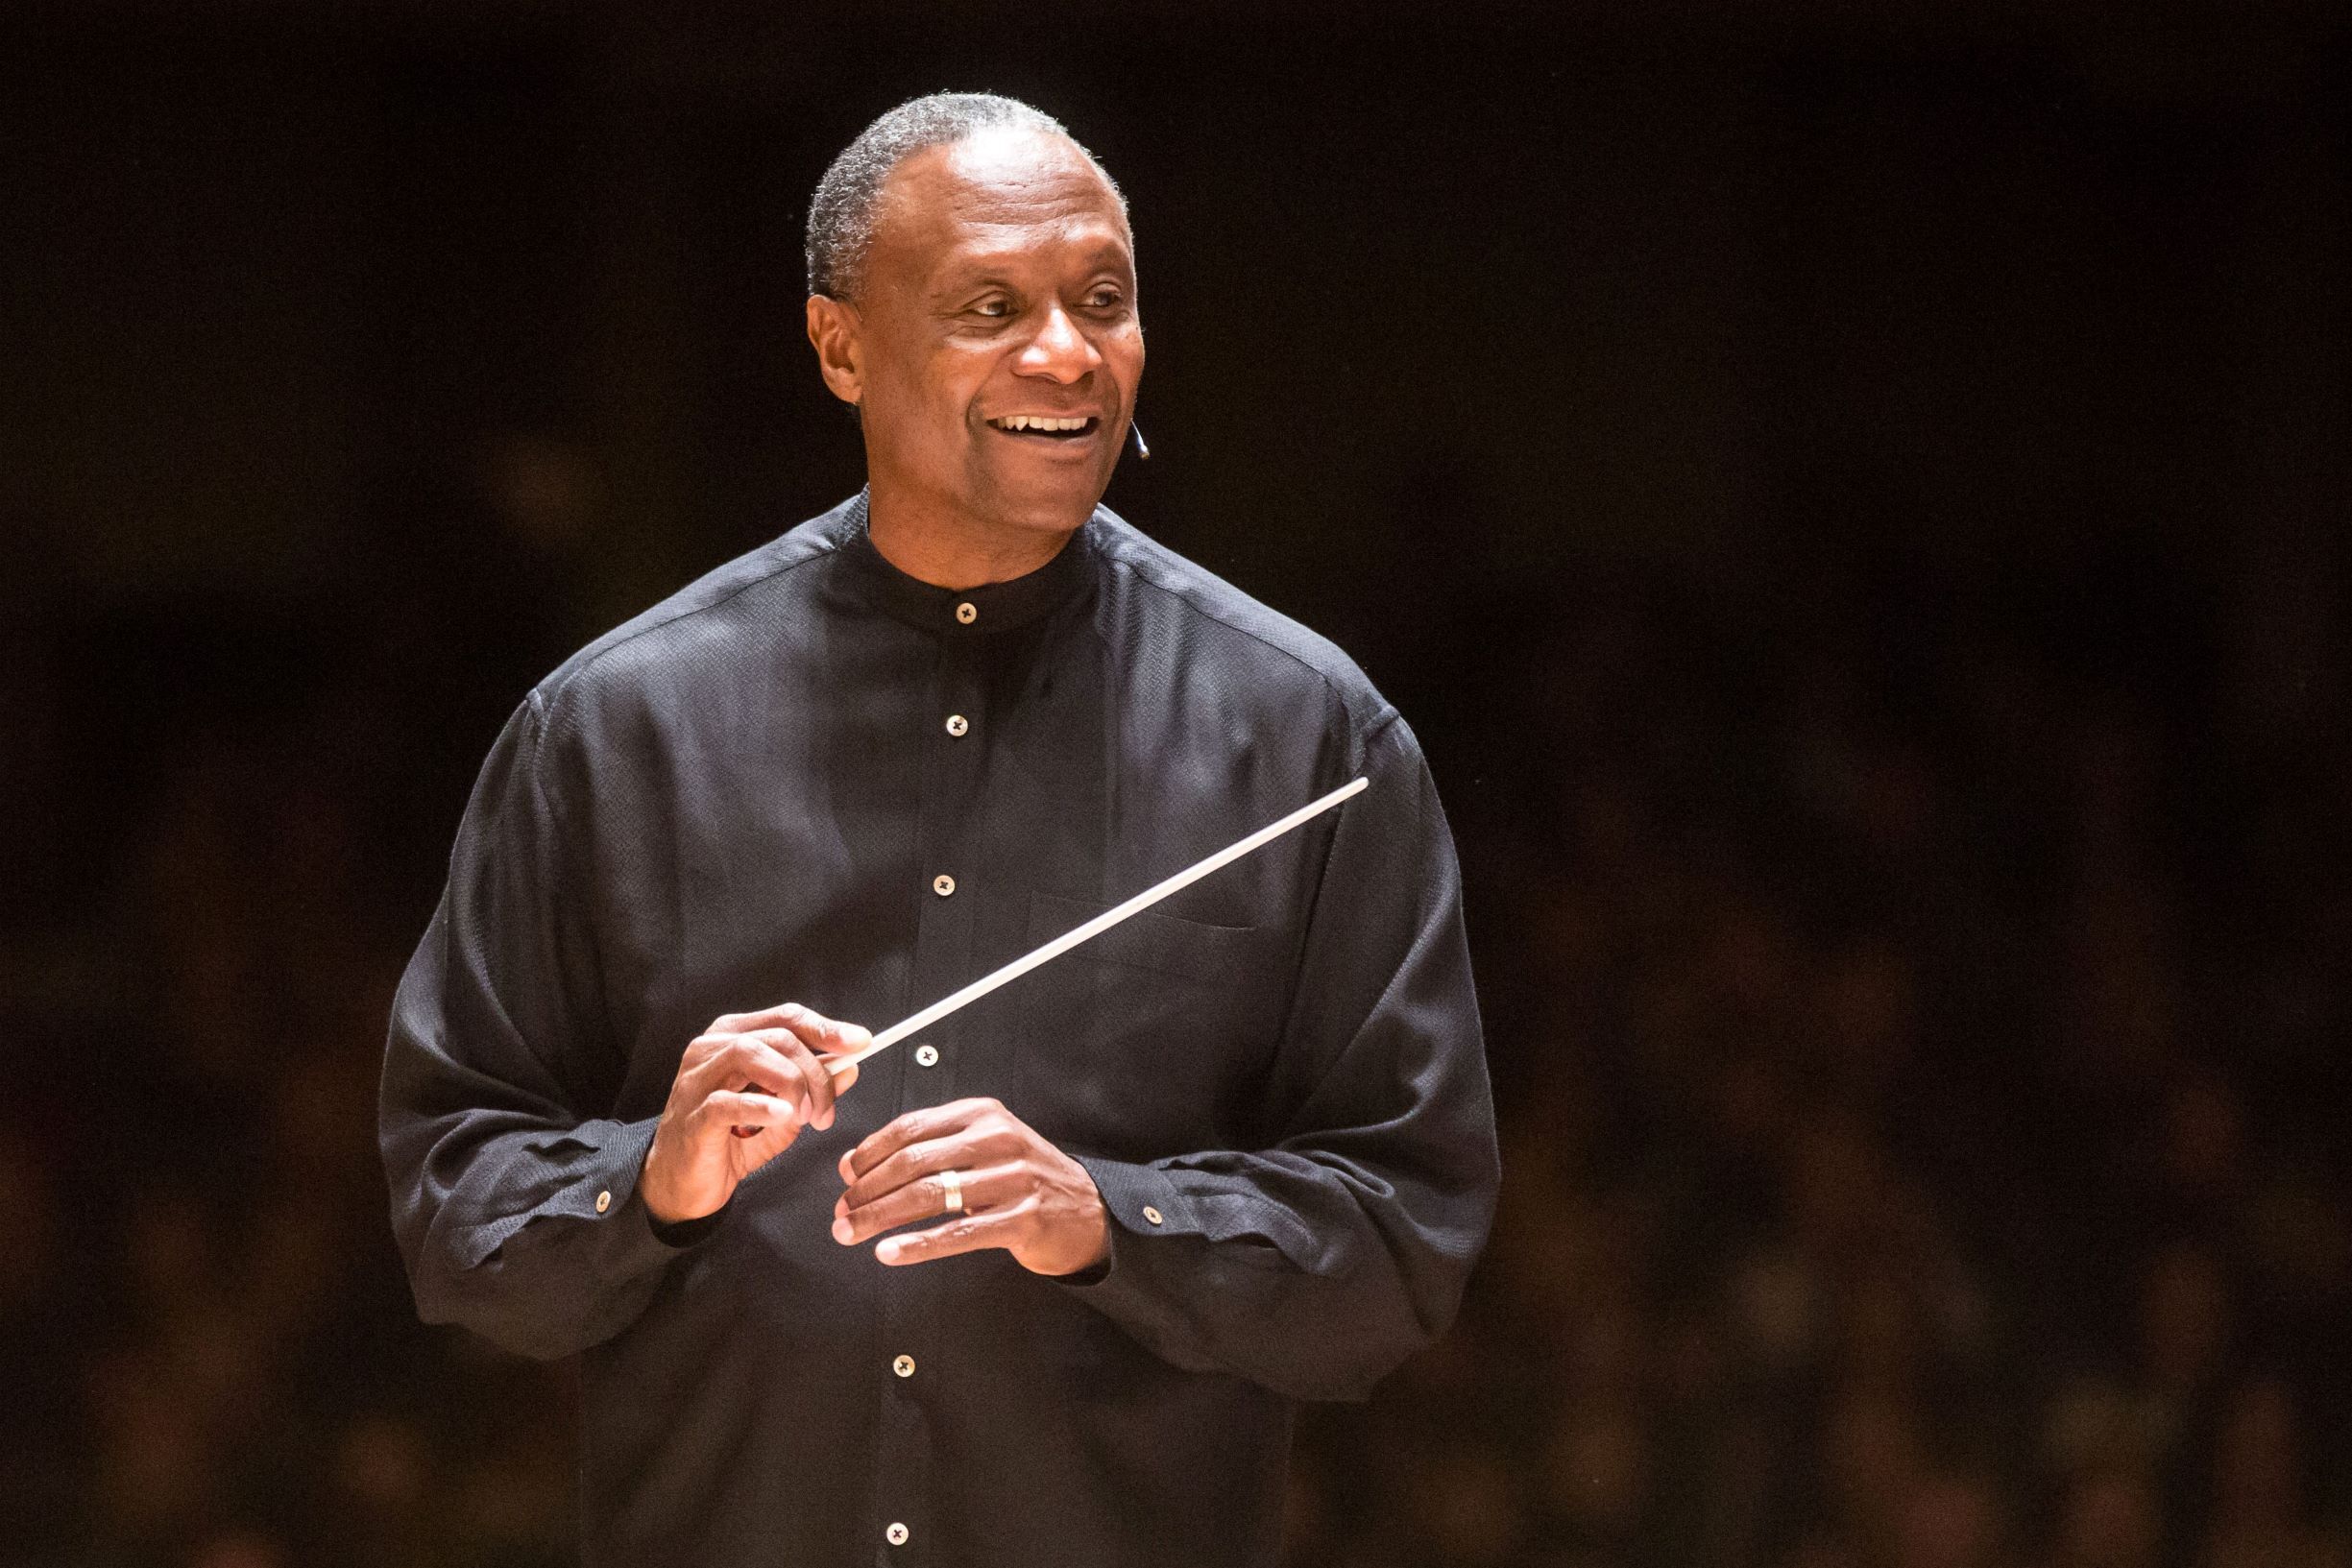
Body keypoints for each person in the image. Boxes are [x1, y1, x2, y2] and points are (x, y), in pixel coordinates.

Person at [379, 91, 1498, 1567]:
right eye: (989, 305)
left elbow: (1404, 1239)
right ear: (840, 345)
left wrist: (1105, 1215)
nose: (1064, 350)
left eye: (1101, 298)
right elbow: (458, 1217)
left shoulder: (1304, 739)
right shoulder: (616, 727)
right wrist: (652, 1175)